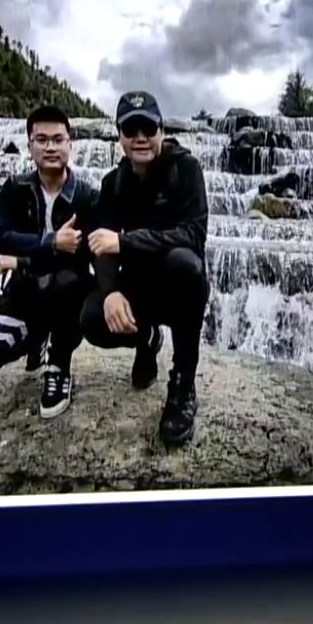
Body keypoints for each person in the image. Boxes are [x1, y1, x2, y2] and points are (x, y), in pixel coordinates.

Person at [79, 89, 209, 446]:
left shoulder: (186, 169)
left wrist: (127, 241)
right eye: (131, 129)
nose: (140, 137)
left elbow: (193, 234)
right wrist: (110, 292)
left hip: (178, 288)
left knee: (186, 264)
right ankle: (147, 339)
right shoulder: (113, 184)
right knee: (92, 318)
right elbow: (99, 245)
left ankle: (183, 385)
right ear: (119, 136)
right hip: (137, 288)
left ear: (161, 131)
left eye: (148, 128)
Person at [0, 105, 99, 420]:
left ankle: (59, 366)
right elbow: (0, 239)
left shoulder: (86, 197)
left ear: (70, 144)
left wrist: (18, 259)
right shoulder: (16, 189)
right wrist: (50, 243)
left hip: (70, 296)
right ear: (29, 146)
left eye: (57, 139)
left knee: (67, 280)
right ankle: (36, 336)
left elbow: (84, 255)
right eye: (41, 139)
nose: (50, 147)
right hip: (25, 293)